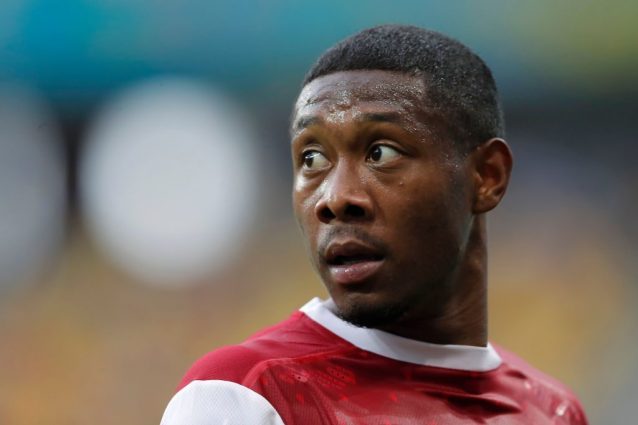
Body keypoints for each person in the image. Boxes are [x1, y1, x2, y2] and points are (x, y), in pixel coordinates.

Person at [160, 25, 589, 424]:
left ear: (487, 176)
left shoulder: (553, 412)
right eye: (312, 158)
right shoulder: (245, 395)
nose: (335, 198)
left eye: (381, 153)